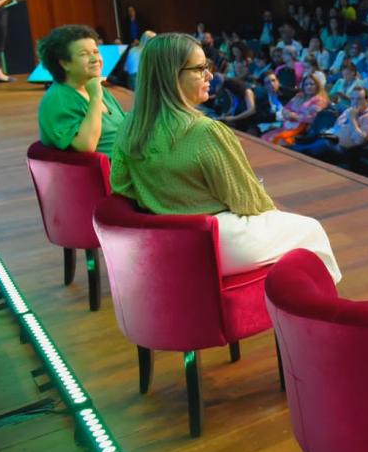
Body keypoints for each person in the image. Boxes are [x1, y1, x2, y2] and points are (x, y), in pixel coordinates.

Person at [110, 33, 341, 281]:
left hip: (163, 245)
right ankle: (315, 311)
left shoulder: (129, 126)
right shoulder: (207, 132)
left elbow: (121, 185)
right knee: (312, 230)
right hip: (214, 243)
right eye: (200, 69)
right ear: (171, 77)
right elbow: (249, 203)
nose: (210, 75)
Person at [36, 24, 127, 156]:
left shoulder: (94, 86)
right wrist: (95, 98)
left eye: (96, 52)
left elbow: (123, 125)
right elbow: (86, 145)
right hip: (109, 173)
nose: (95, 59)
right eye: (84, 54)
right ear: (64, 63)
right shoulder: (57, 100)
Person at [291, 85, 368, 164]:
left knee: (311, 148)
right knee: (308, 141)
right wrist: (327, 133)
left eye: (359, 99)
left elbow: (360, 140)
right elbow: (337, 126)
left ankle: (297, 151)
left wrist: (352, 119)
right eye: (352, 99)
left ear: (367, 100)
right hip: (329, 139)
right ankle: (297, 150)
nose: (355, 102)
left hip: (343, 150)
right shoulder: (349, 110)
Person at [261, 74, 329, 146]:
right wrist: (288, 114)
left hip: (303, 131)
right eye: (306, 84)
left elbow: (313, 118)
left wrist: (296, 117)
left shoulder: (320, 100)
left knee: (279, 140)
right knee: (264, 138)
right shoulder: (299, 96)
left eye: (312, 84)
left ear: (317, 86)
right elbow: (285, 109)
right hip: (287, 126)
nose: (309, 86)